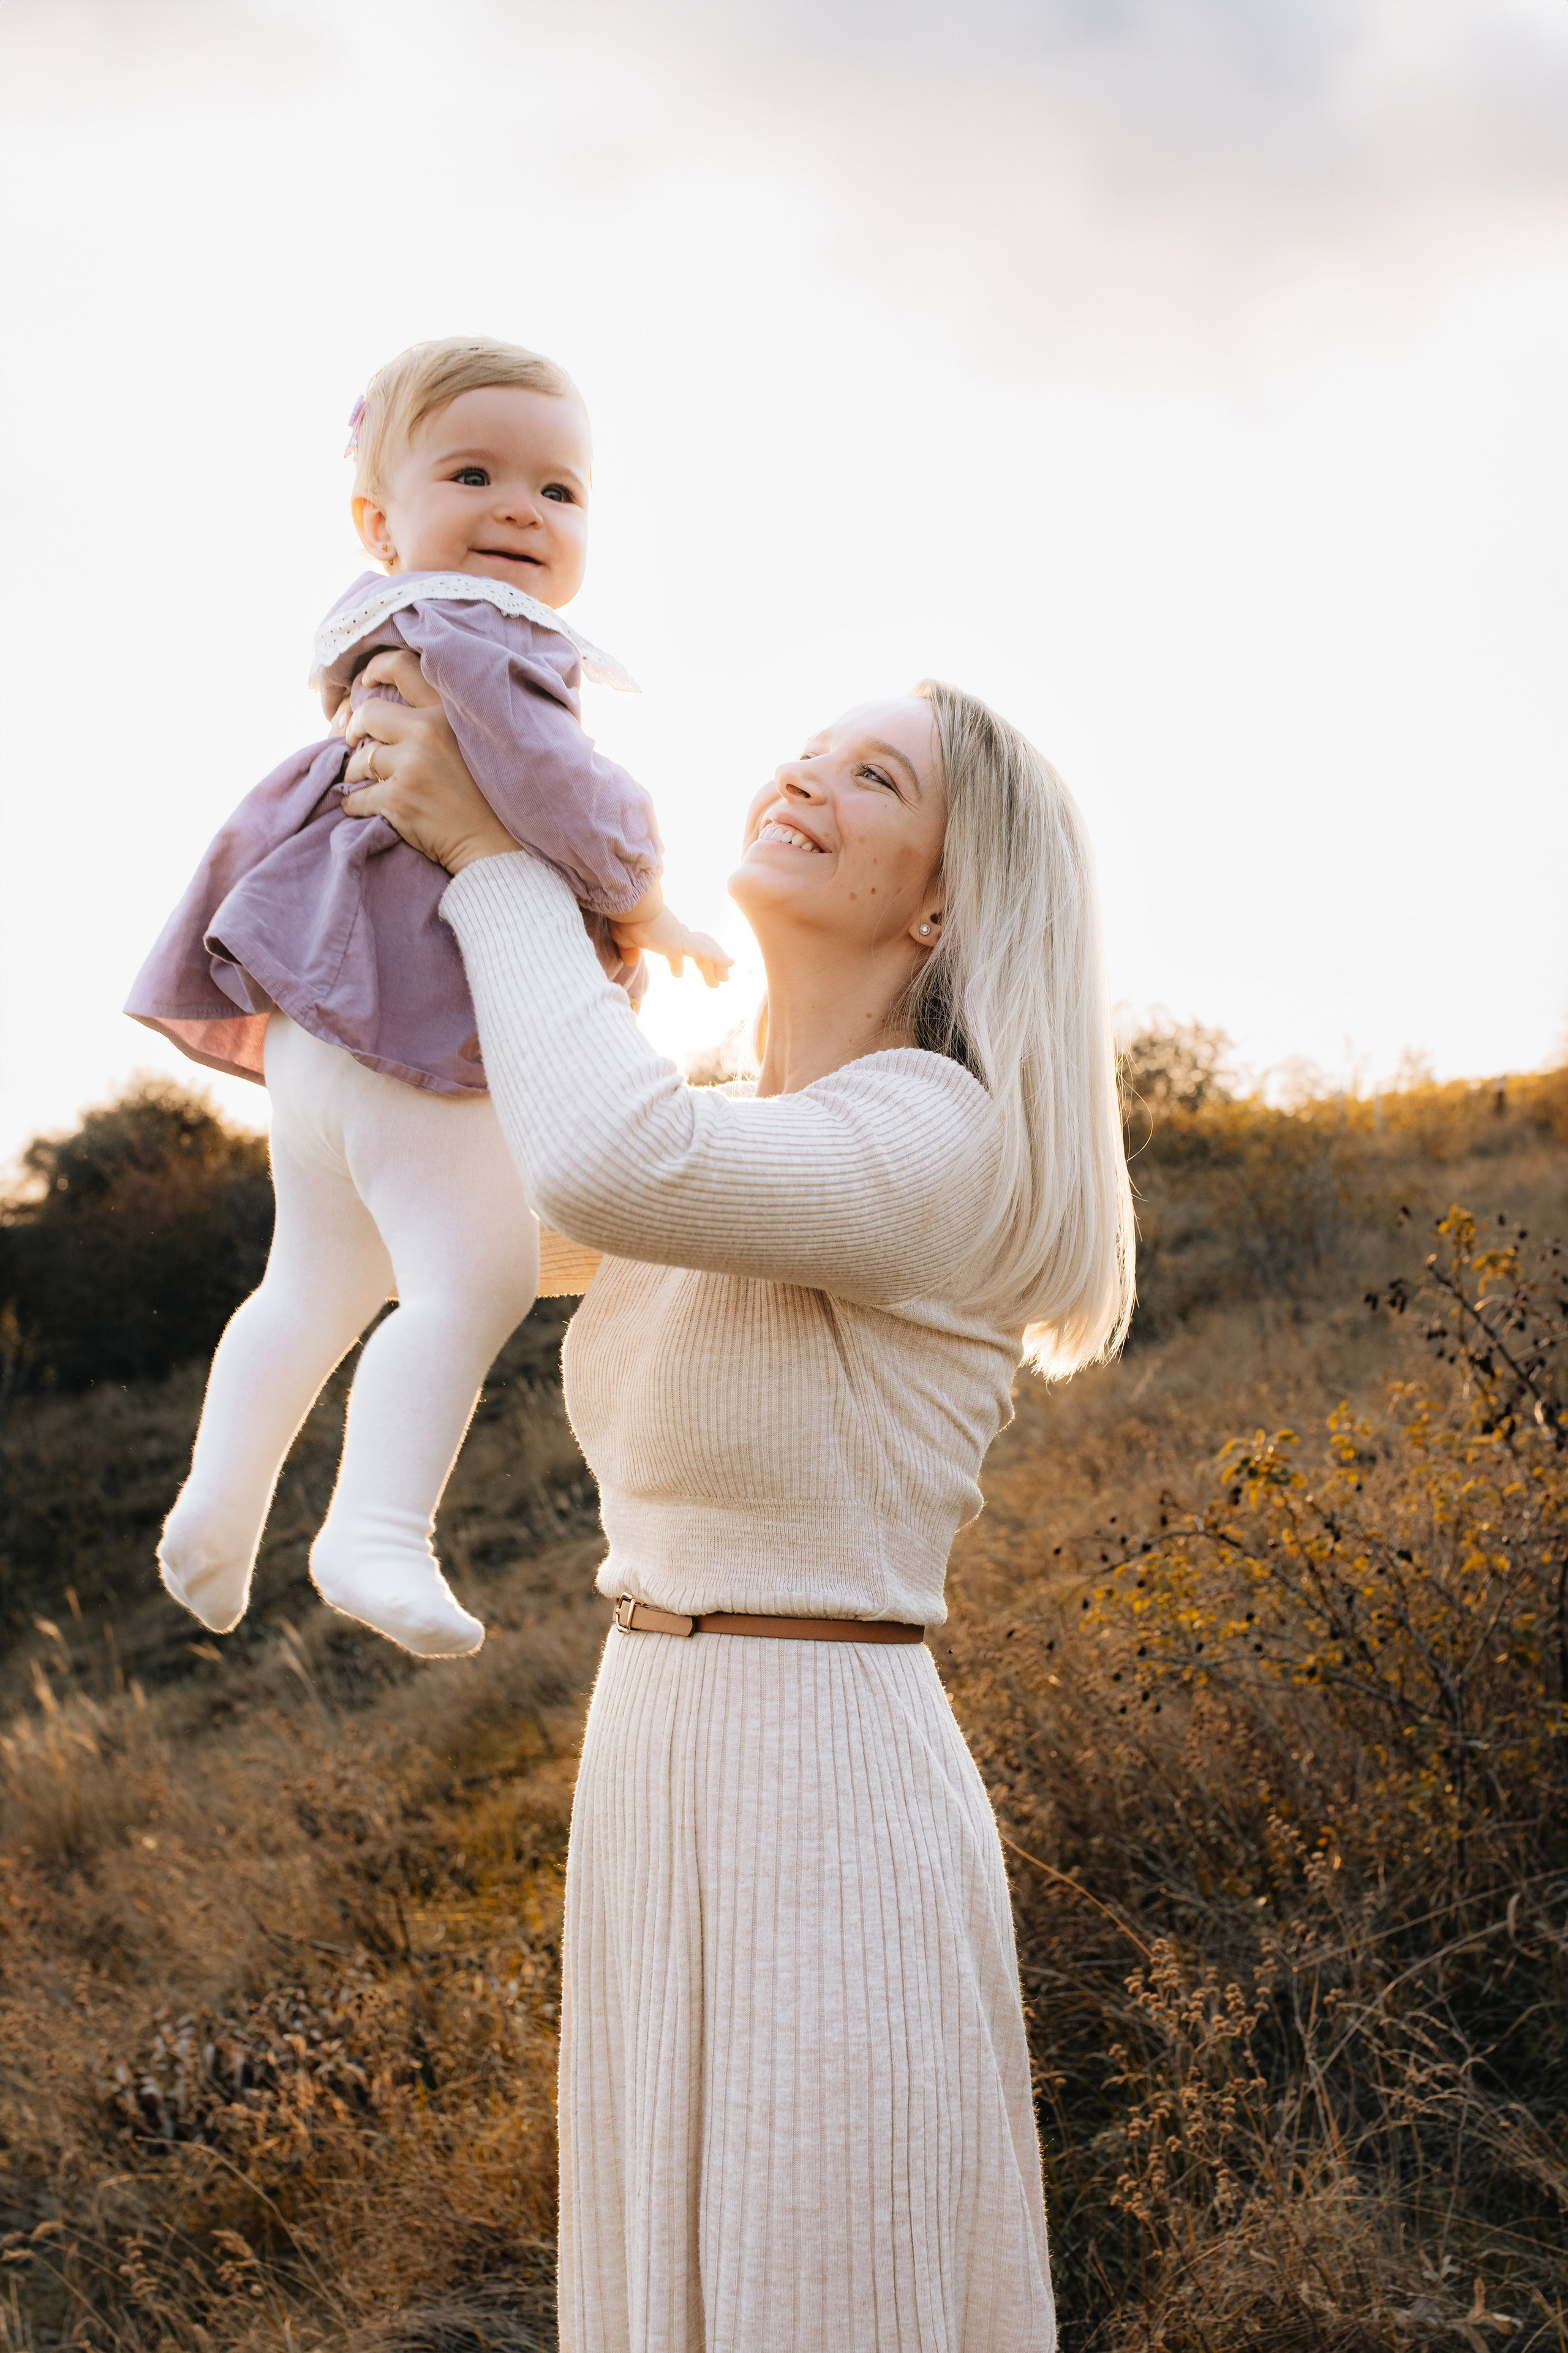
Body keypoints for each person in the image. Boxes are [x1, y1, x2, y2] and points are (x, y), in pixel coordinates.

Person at [337, 653, 1136, 2351]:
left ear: (942, 904)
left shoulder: (938, 1133)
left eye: (877, 781)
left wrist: (497, 861)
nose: (809, 777)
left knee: (820, 2292)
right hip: (657, 1761)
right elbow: (455, 1208)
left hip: (825, 1787)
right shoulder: (739, 1134)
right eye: (809, 749)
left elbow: (606, 1161)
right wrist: (363, 860)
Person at [126, 336, 728, 1659]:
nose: (520, 508)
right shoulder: (481, 632)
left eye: (558, 491)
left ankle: (216, 1514)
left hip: (318, 1025)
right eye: (474, 474)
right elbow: (560, 790)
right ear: (380, 521)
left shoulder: (380, 629)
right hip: (414, 1017)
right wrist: (643, 891)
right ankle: (373, 1531)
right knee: (472, 1277)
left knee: (314, 1279)